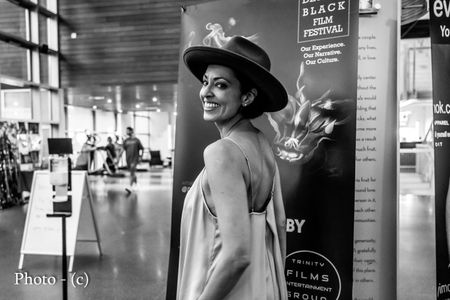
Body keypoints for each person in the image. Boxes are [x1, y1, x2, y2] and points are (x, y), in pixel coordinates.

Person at [177, 36, 288, 300]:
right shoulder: (262, 145)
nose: (206, 92)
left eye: (221, 85)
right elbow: (280, 224)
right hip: (265, 287)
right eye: (206, 82)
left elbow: (237, 256)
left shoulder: (222, 152)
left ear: (247, 96)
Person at [117, 127, 143, 193]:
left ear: (131, 131)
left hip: (135, 159)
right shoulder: (126, 141)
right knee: (132, 172)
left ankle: (130, 187)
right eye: (126, 131)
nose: (126, 132)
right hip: (128, 159)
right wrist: (118, 158)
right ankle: (136, 184)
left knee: (132, 172)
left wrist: (140, 157)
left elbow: (142, 149)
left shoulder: (137, 140)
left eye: (128, 131)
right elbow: (122, 149)